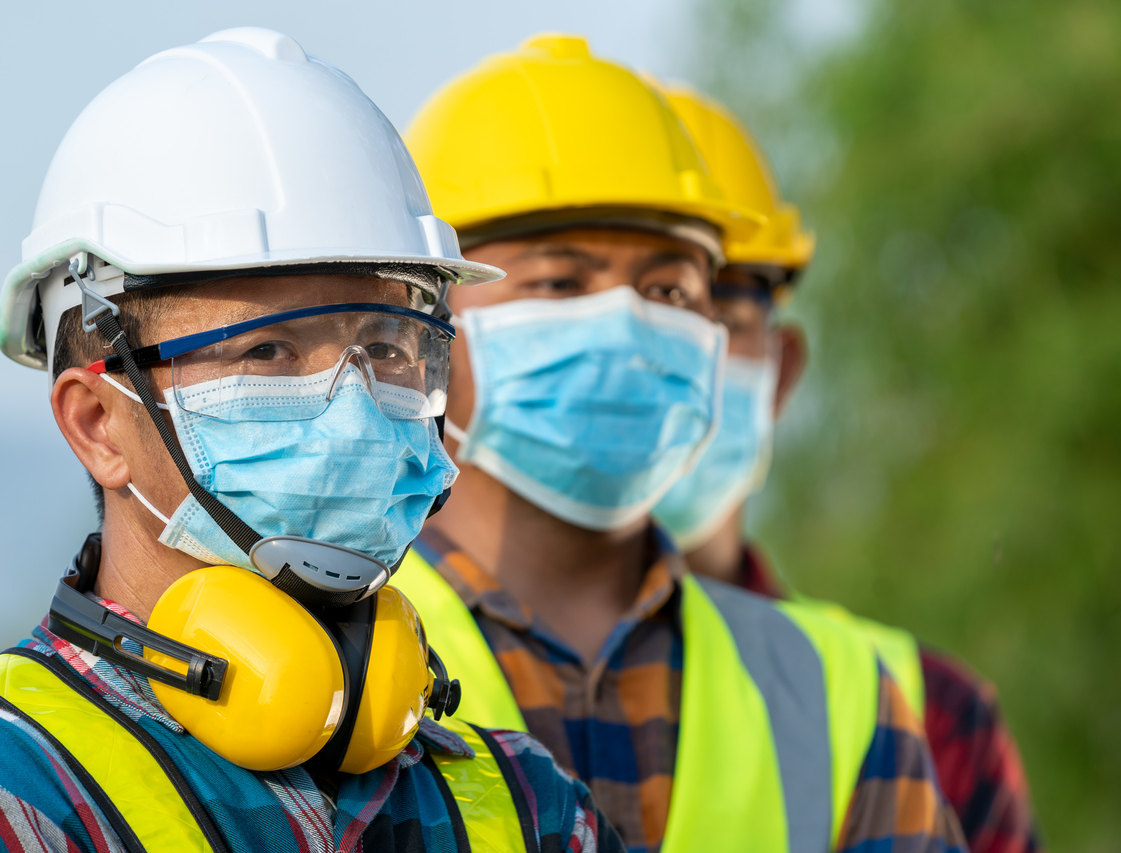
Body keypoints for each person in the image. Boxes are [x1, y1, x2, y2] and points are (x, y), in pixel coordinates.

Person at [0, 29, 623, 853]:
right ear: (97, 421)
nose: (354, 409)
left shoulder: (528, 803)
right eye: (268, 349)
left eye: (390, 347)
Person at [395, 33, 968, 853]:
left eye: (670, 288)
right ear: (427, 327)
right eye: (562, 281)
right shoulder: (320, 658)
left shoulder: (837, 696)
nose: (629, 324)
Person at [649, 86, 1042, 853]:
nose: (666, 364)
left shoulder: (924, 712)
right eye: (573, 293)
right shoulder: (376, 672)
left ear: (784, 370)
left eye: (714, 317)